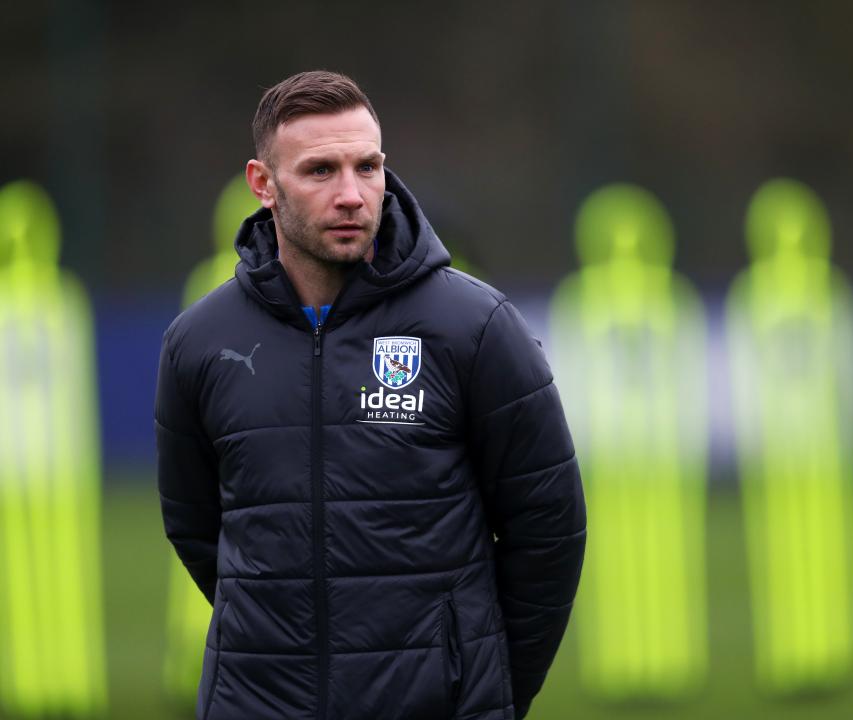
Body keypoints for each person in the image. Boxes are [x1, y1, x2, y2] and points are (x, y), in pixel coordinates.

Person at [155, 70, 586, 720]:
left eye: (368, 166)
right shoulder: (200, 341)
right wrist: (275, 645)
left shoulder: (476, 328)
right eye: (321, 170)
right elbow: (195, 526)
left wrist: (485, 683)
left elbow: (548, 526)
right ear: (263, 184)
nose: (353, 194)